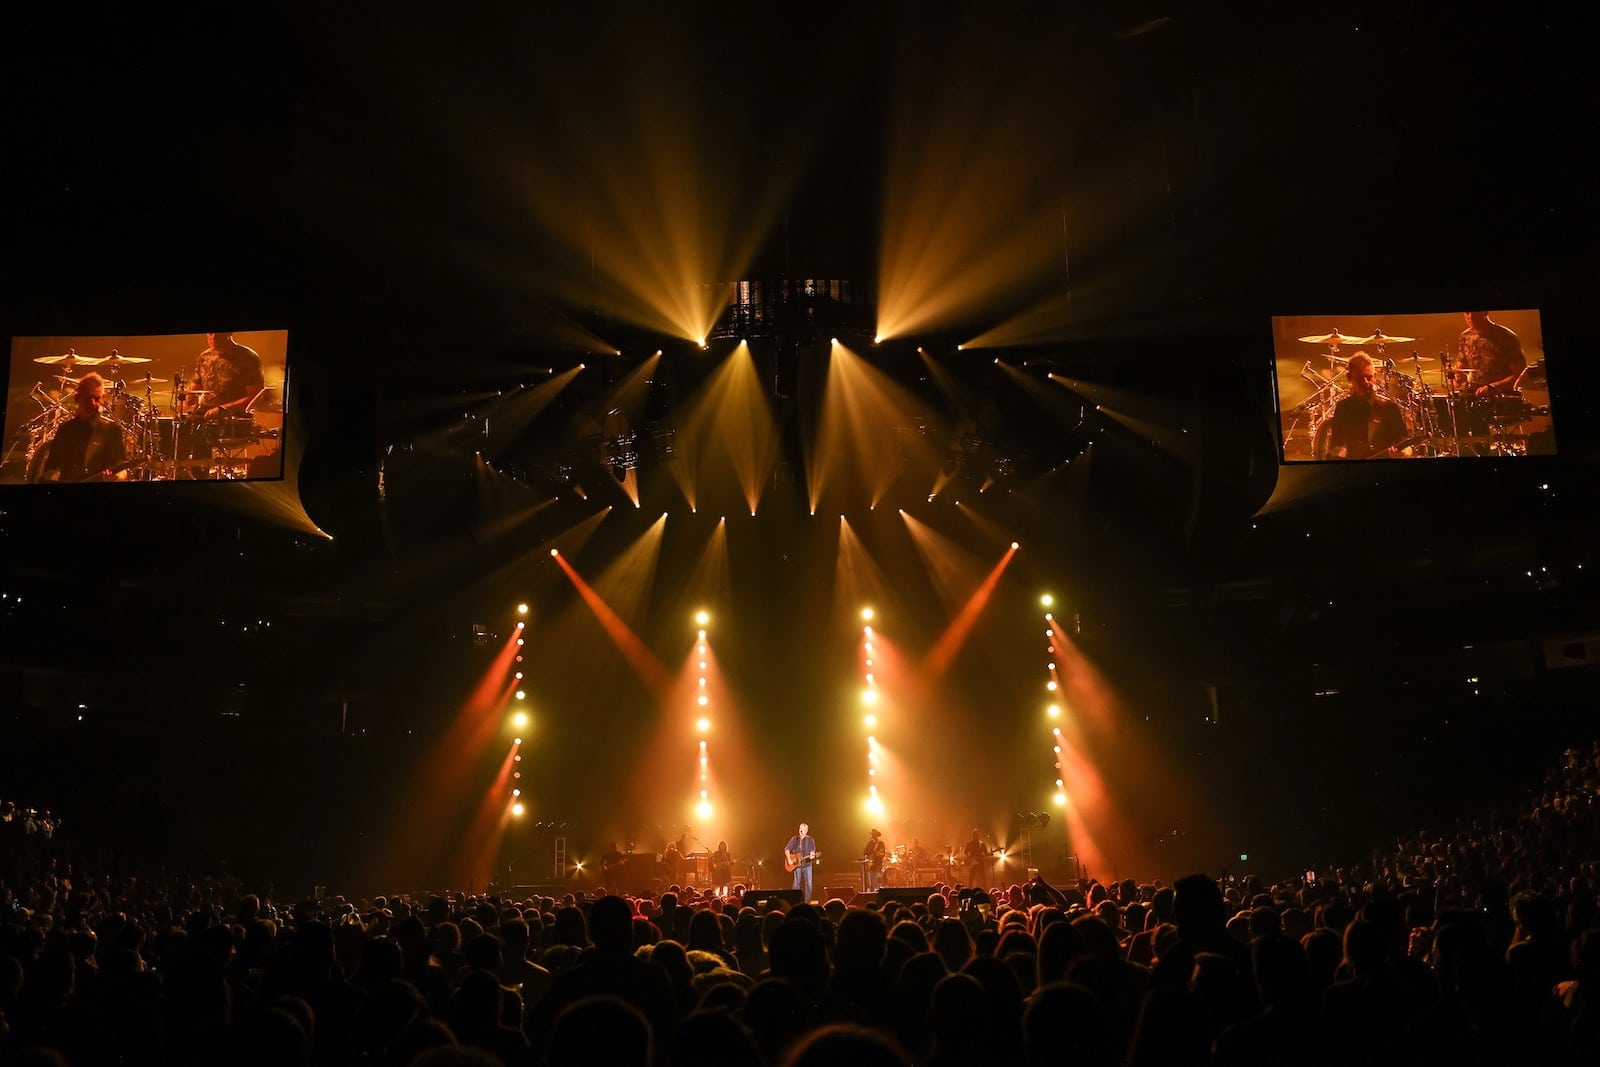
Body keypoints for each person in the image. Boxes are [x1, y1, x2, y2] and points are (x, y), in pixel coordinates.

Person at [33, 372, 128, 483]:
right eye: (88, 399)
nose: (93, 403)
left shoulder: (111, 430)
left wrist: (117, 476)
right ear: (78, 398)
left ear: (102, 399)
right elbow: (50, 468)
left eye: (97, 398)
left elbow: (121, 467)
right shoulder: (65, 430)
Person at [1321, 352, 1409, 459]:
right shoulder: (1343, 407)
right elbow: (1336, 443)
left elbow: (1405, 444)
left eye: (1369, 377)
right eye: (1359, 378)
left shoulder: (1389, 408)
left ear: (1375, 376)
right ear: (1349, 378)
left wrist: (1403, 452)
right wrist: (1336, 453)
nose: (1365, 382)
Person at [186, 331, 265, 422]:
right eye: (210, 333)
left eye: (218, 333)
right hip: (204, 416)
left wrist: (223, 409)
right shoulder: (204, 357)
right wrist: (190, 396)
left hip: (234, 420)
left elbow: (256, 396)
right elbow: (195, 389)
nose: (214, 337)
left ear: (229, 333)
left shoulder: (248, 357)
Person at [1456, 310, 1527, 398]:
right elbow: (1461, 367)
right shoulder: (1465, 337)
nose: (1470, 316)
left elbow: (1521, 374)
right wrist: (1458, 377)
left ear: (1485, 312)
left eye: (1475, 312)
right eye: (1467, 313)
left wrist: (1493, 387)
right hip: (1474, 395)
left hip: (1502, 397)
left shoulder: (1506, 337)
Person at [785, 822, 819, 901]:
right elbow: (786, 849)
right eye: (801, 829)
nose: (802, 831)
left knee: (809, 884)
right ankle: (794, 900)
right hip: (797, 865)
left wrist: (812, 854)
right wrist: (789, 859)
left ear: (807, 831)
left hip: (807, 865)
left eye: (804, 829)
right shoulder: (795, 839)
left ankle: (807, 902)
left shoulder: (810, 840)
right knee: (796, 883)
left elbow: (812, 851)